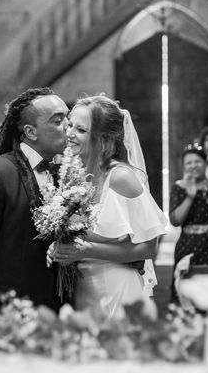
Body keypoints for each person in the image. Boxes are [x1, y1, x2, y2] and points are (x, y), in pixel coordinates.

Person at [50, 95, 168, 319]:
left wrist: (87, 250)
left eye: (81, 130)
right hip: (84, 288)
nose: (69, 134)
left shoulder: (121, 178)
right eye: (70, 124)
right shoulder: (73, 173)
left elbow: (150, 248)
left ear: (103, 139)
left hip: (117, 288)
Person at [0, 88, 69, 317]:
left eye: (67, 118)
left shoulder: (63, 175)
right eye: (58, 120)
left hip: (56, 310)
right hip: (11, 311)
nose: (67, 126)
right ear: (30, 131)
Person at [169, 145, 208, 300]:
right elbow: (175, 221)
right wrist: (190, 196)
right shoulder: (179, 187)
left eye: (197, 162)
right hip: (187, 247)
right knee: (187, 293)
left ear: (206, 164)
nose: (193, 166)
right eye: (188, 163)